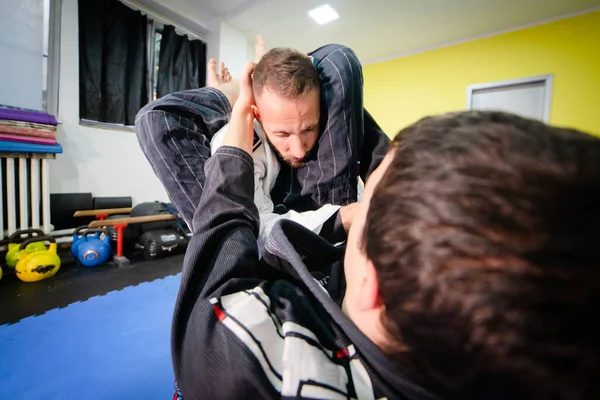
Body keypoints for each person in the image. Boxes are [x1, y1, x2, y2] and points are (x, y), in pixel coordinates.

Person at [170, 61, 600, 400]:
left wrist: (238, 109)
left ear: (370, 285)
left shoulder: (248, 370)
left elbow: (221, 229)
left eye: (367, 200)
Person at [135, 37, 389, 243]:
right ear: (256, 113)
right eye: (283, 134)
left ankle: (253, 78)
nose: (299, 150)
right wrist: (346, 217)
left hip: (339, 203)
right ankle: (238, 90)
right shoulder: (242, 139)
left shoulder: (331, 112)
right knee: (154, 119)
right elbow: (258, 228)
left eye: (309, 129)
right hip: (297, 222)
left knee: (339, 58)